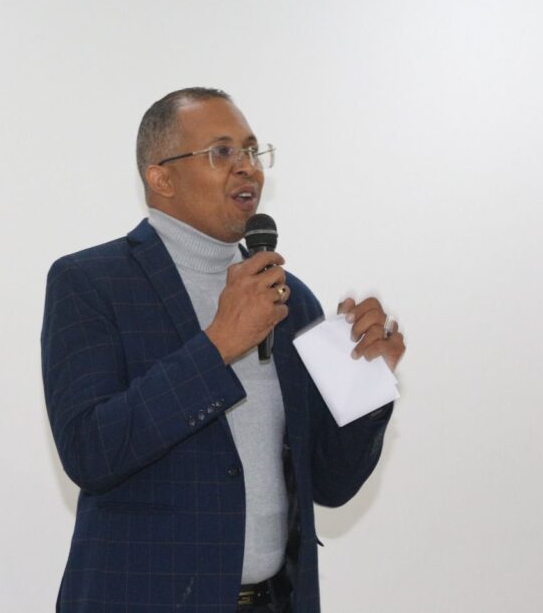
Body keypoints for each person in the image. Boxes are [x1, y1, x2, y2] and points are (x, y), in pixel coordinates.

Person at [40, 87, 405, 612]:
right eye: (222, 151)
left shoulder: (290, 299)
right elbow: (89, 452)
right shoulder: (91, 283)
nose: (247, 167)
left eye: (253, 151)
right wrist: (218, 346)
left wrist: (368, 384)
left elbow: (329, 484)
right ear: (161, 178)